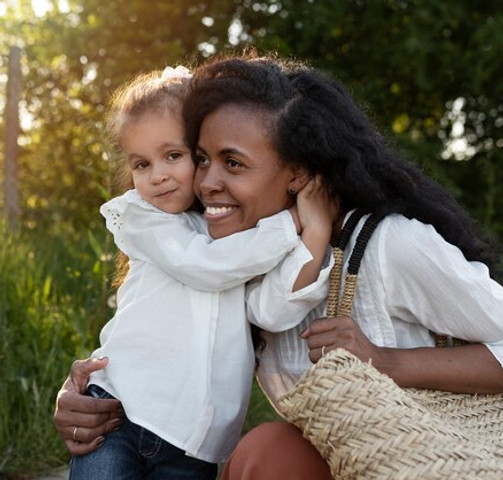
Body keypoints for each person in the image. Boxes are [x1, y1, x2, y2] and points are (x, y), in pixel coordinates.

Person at [54, 52, 503, 479]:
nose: (207, 182)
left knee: (267, 453)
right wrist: (87, 396)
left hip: (436, 458)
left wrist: (386, 361)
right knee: (267, 453)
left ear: (298, 173)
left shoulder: (388, 245)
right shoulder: (229, 261)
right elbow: (162, 343)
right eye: (202, 158)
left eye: (233, 162)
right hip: (345, 459)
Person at [66, 64, 337, 480]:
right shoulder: (143, 219)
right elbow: (205, 266)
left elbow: (275, 310)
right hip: (121, 413)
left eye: (174, 156)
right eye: (140, 163)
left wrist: (316, 232)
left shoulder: (234, 236)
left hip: (193, 443)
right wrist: (290, 224)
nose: (157, 176)